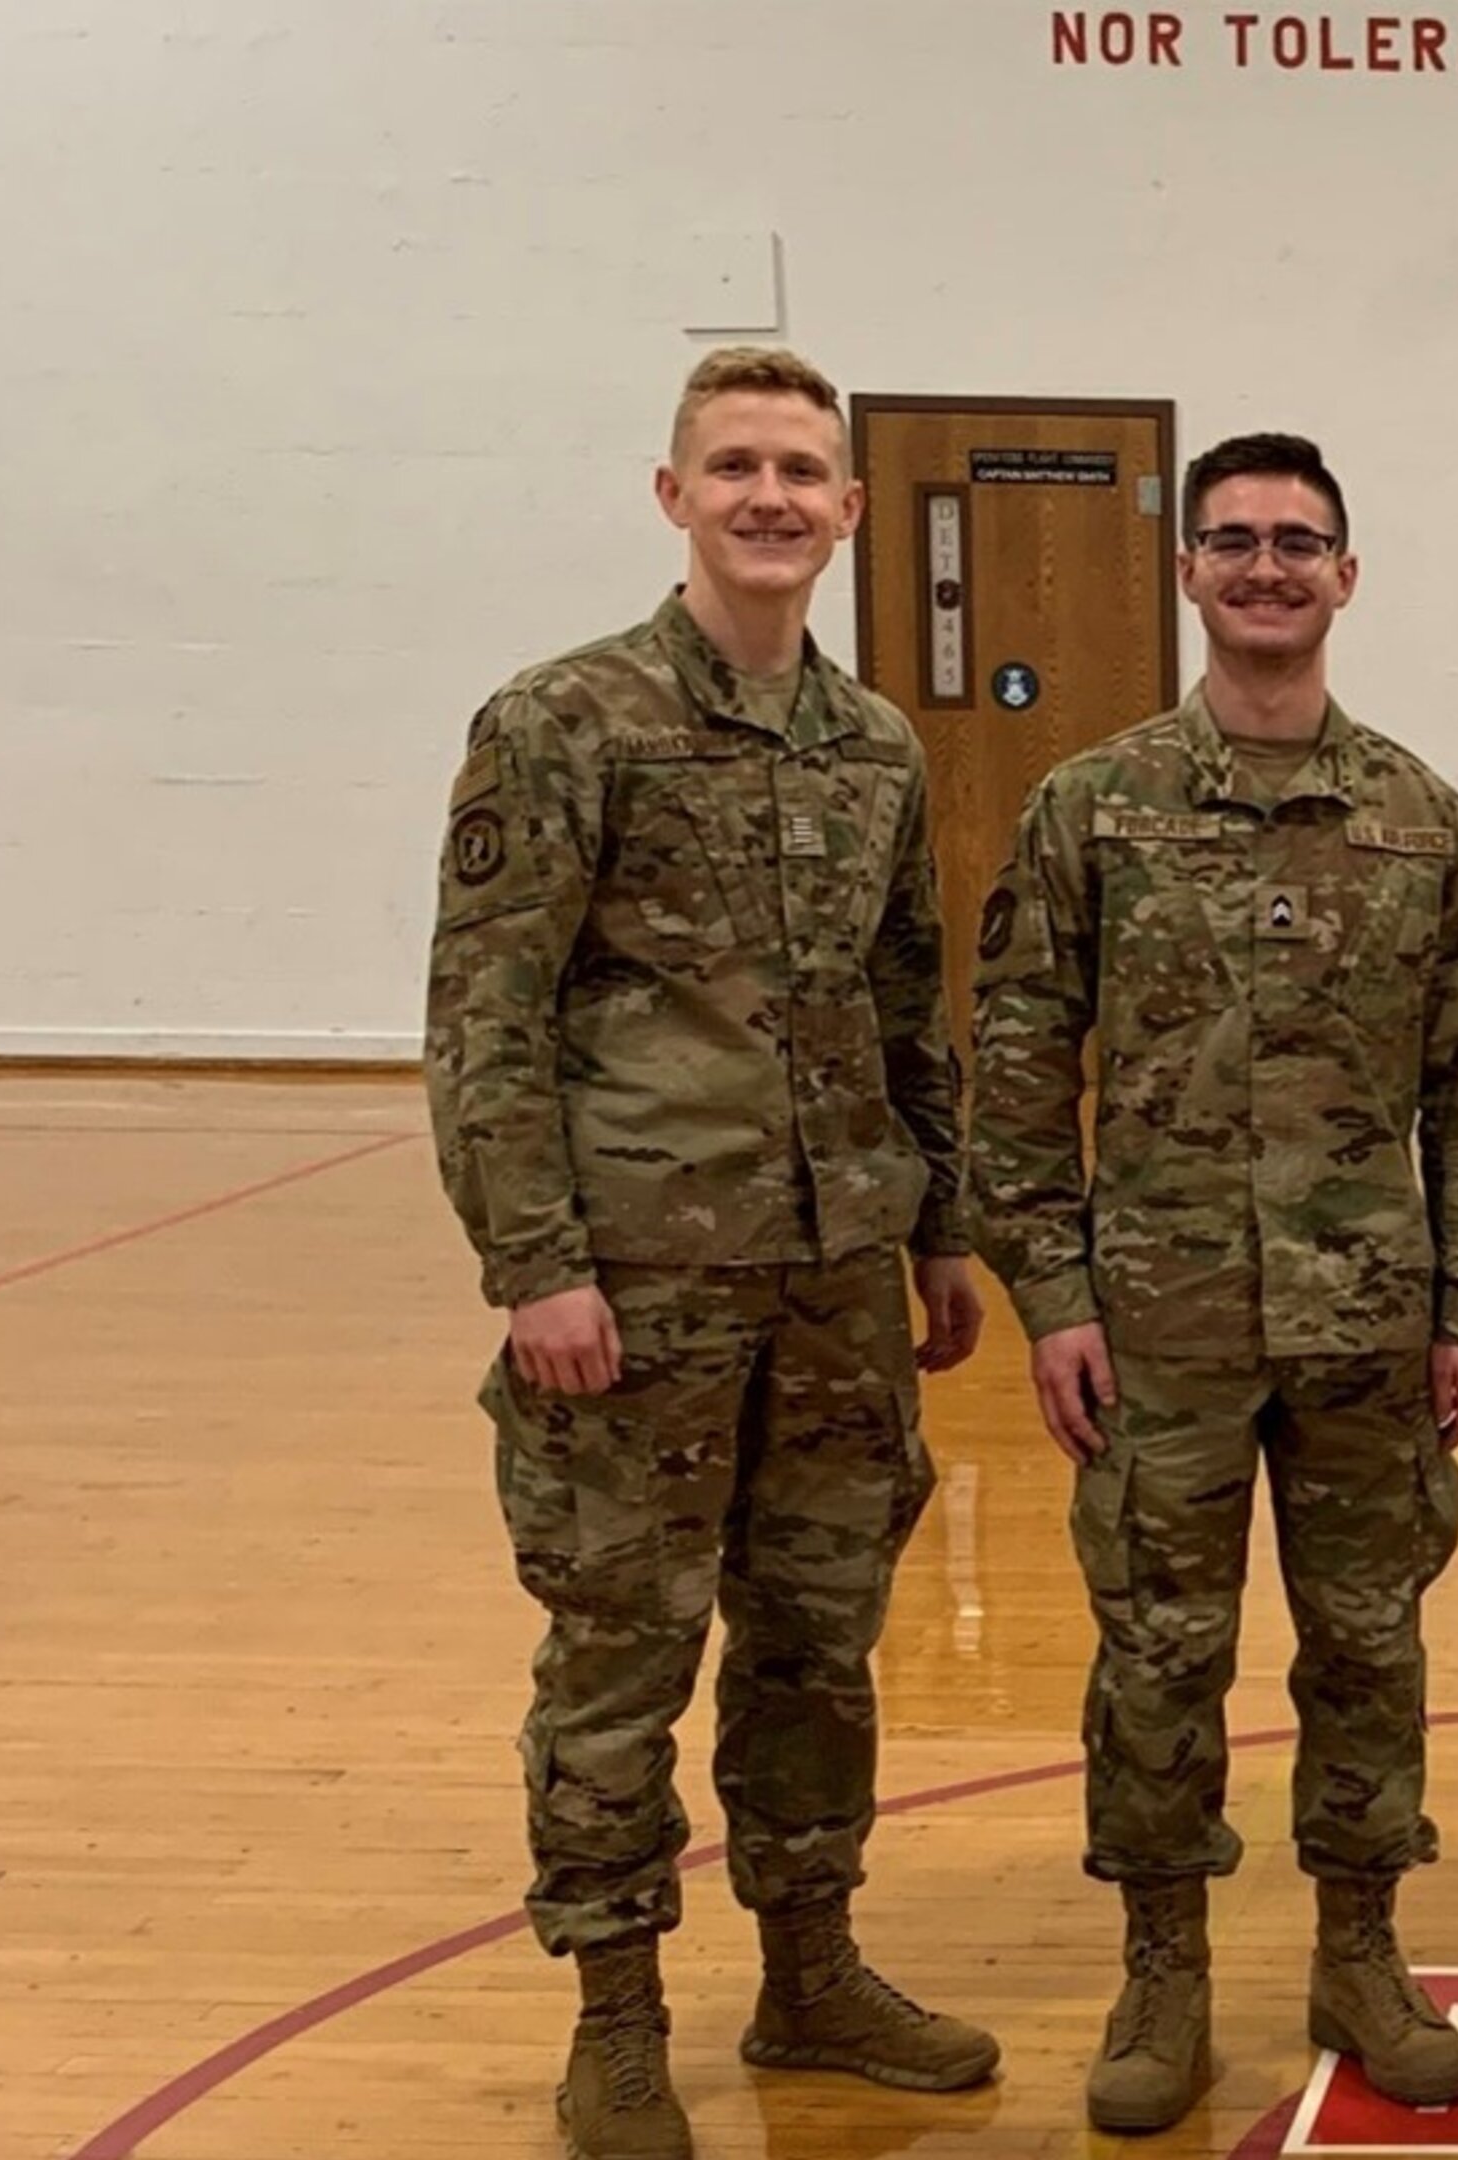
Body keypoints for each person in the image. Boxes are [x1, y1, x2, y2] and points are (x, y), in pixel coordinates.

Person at [422, 343, 998, 2160]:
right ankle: (614, 2016)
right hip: (634, 1283)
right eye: (735, 465)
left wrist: (943, 1233)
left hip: (837, 1276)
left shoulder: (877, 744)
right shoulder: (563, 719)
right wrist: (534, 1265)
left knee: (819, 1646)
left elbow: (911, 1004)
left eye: (802, 471)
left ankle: (812, 1968)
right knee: (621, 1650)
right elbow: (484, 1014)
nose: (771, 497)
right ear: (674, 495)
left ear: (846, 510)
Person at [964, 429, 1458, 2134]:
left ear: (1347, 577)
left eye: (1301, 542)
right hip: (1164, 1326)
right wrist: (1054, 1294)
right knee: (1158, 1656)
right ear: (1191, 573)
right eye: (1238, 541)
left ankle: (1360, 1954)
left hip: (1371, 1328)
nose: (1270, 567)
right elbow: (1014, 1064)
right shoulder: (1095, 808)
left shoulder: (1426, 823)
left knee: (1370, 1650)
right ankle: (1165, 1967)